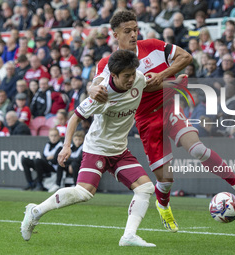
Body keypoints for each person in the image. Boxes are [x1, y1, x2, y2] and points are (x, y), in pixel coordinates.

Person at [89, 10, 235, 233]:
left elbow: (185, 57)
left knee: (198, 149)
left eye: (135, 29)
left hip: (168, 106)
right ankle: (163, 205)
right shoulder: (109, 63)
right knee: (166, 179)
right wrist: (93, 89)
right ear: (115, 34)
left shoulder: (153, 46)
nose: (134, 34)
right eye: (128, 31)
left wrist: (164, 75)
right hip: (145, 119)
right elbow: (96, 84)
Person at [21, 50, 159, 247]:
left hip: (120, 150)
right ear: (114, 75)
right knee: (85, 193)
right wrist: (66, 146)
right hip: (97, 148)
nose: (131, 79)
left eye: (132, 74)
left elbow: (151, 83)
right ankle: (35, 212)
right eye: (126, 76)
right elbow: (75, 117)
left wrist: (175, 82)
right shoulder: (101, 94)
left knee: (145, 188)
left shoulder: (138, 78)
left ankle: (128, 236)